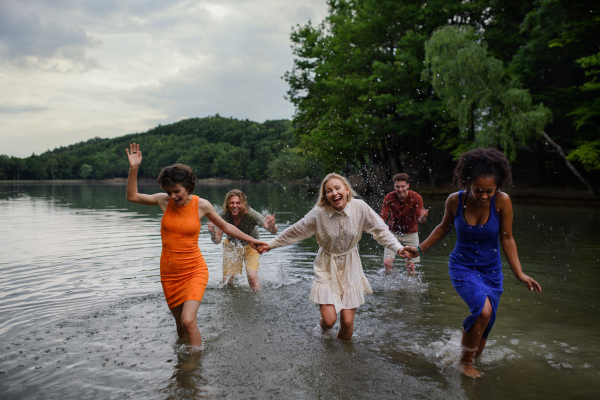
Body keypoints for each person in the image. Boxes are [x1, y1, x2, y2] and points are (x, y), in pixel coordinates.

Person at [403, 148, 542, 378]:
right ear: (468, 183)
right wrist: (418, 250)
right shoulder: (455, 200)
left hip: (492, 272)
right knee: (483, 311)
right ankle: (464, 362)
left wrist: (519, 274)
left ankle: (470, 356)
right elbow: (443, 228)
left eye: (490, 190)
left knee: (487, 324)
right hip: (462, 267)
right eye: (479, 190)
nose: (484, 195)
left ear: (498, 186)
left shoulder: (503, 202)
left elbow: (507, 238)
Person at [125, 143, 266, 349]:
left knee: (188, 321)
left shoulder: (202, 205)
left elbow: (226, 226)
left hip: (194, 270)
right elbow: (132, 196)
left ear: (188, 187)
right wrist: (133, 168)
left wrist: (252, 240)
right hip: (169, 272)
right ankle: (184, 367)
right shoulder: (164, 201)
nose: (173, 196)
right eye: (168, 191)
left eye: (177, 191)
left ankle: (194, 366)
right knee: (180, 327)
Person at [258, 173, 407, 340]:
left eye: (337, 188)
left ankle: (342, 362)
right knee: (329, 321)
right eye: (329, 190)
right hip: (327, 266)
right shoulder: (318, 213)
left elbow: (381, 231)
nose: (334, 193)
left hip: (351, 266)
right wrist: (270, 244)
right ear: (326, 196)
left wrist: (399, 248)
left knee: (347, 322)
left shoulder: (360, 208)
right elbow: (296, 230)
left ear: (347, 190)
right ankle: (322, 328)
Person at [207, 189, 277, 290]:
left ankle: (257, 301)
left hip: (252, 246)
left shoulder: (250, 213)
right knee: (227, 282)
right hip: (232, 245)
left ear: (243, 203)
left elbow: (272, 231)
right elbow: (217, 240)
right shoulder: (223, 215)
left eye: (238, 203)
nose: (235, 206)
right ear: (227, 203)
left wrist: (272, 226)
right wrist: (213, 233)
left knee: (252, 276)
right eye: (232, 203)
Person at [380, 173, 428, 275]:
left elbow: (420, 221)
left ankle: (410, 289)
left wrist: (423, 217)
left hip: (411, 233)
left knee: (410, 266)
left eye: (402, 186)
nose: (400, 189)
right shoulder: (389, 197)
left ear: (407, 186)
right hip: (393, 232)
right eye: (398, 186)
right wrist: (376, 224)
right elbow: (383, 216)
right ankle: (392, 285)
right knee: (387, 264)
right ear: (394, 186)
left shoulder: (416, 197)